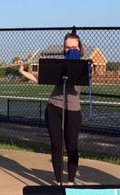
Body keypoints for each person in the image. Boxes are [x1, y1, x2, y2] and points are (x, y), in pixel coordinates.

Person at [18, 33, 84, 186]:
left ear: (79, 48)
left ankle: (71, 182)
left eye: (74, 47)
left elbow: (81, 78)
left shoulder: (84, 66)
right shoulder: (59, 66)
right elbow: (41, 78)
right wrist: (23, 71)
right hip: (54, 108)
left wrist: (74, 63)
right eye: (67, 48)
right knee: (56, 146)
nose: (70, 50)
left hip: (73, 111)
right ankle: (59, 182)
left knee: (72, 146)